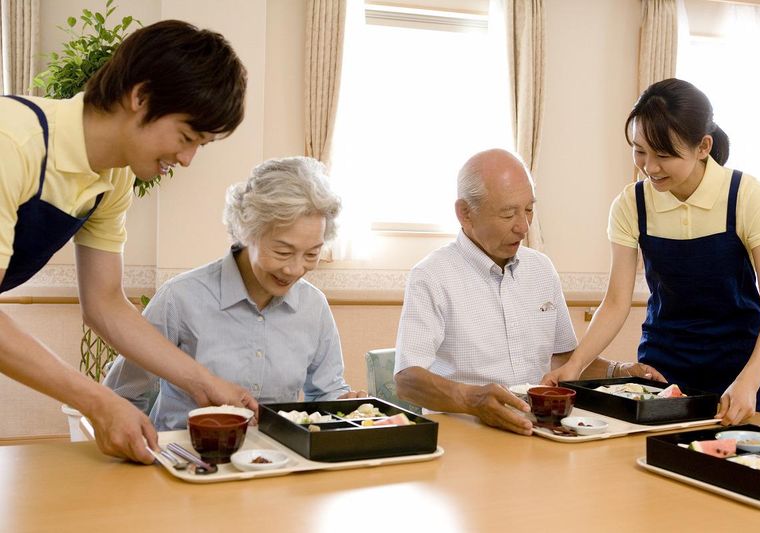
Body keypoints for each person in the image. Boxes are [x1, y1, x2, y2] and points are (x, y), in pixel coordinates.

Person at [0, 20, 256, 464]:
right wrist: (98, 402)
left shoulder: (111, 180)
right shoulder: (13, 143)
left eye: (201, 145)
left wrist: (202, 382)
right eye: (186, 136)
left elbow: (106, 304)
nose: (187, 159)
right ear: (140, 97)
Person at [543, 79, 760, 425]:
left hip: (737, 367)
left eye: (664, 155)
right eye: (640, 150)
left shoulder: (747, 197)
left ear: (703, 146)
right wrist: (576, 363)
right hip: (660, 367)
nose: (650, 167)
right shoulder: (633, 204)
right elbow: (616, 302)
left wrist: (749, 381)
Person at [393, 148, 661, 435]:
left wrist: (618, 373)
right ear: (465, 213)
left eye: (529, 209)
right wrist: (471, 399)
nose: (523, 227)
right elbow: (407, 380)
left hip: (539, 430)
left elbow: (561, 361)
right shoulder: (432, 276)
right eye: (508, 214)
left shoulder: (541, 269)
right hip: (465, 435)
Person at [104, 156, 367, 430]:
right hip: (186, 461)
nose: (295, 269)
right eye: (282, 252)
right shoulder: (180, 298)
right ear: (247, 231)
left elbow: (325, 394)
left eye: (311, 254)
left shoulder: (313, 306)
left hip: (278, 461)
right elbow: (122, 394)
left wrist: (346, 405)